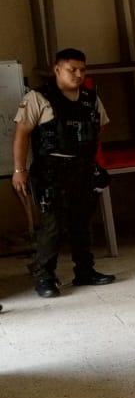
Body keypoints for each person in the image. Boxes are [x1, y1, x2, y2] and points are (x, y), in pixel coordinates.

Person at [12, 48, 115, 298]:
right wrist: (19, 170)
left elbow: (101, 126)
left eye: (82, 70)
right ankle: (44, 277)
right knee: (52, 226)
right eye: (72, 69)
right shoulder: (39, 97)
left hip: (82, 168)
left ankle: (85, 271)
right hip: (51, 170)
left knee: (82, 222)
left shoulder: (90, 97)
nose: (78, 74)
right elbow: (22, 134)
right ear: (57, 70)